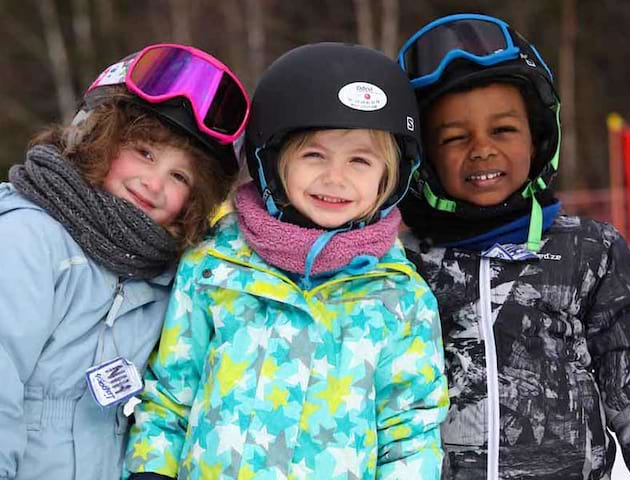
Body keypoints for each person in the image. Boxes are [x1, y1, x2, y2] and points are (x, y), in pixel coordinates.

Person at [123, 42, 448, 480]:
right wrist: (151, 471)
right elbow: (170, 393)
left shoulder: (399, 296)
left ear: (388, 178)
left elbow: (410, 432)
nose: (335, 178)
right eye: (314, 155)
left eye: (360, 160)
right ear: (274, 160)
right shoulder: (215, 265)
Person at [396, 12, 630, 479]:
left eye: (503, 130)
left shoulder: (590, 254)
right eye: (454, 137)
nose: (482, 149)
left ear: (538, 137)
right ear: (423, 157)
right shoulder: (403, 267)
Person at [0, 43, 249, 480]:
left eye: (179, 177)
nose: (153, 184)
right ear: (98, 139)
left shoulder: (166, 277)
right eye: (144, 152)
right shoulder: (28, 239)